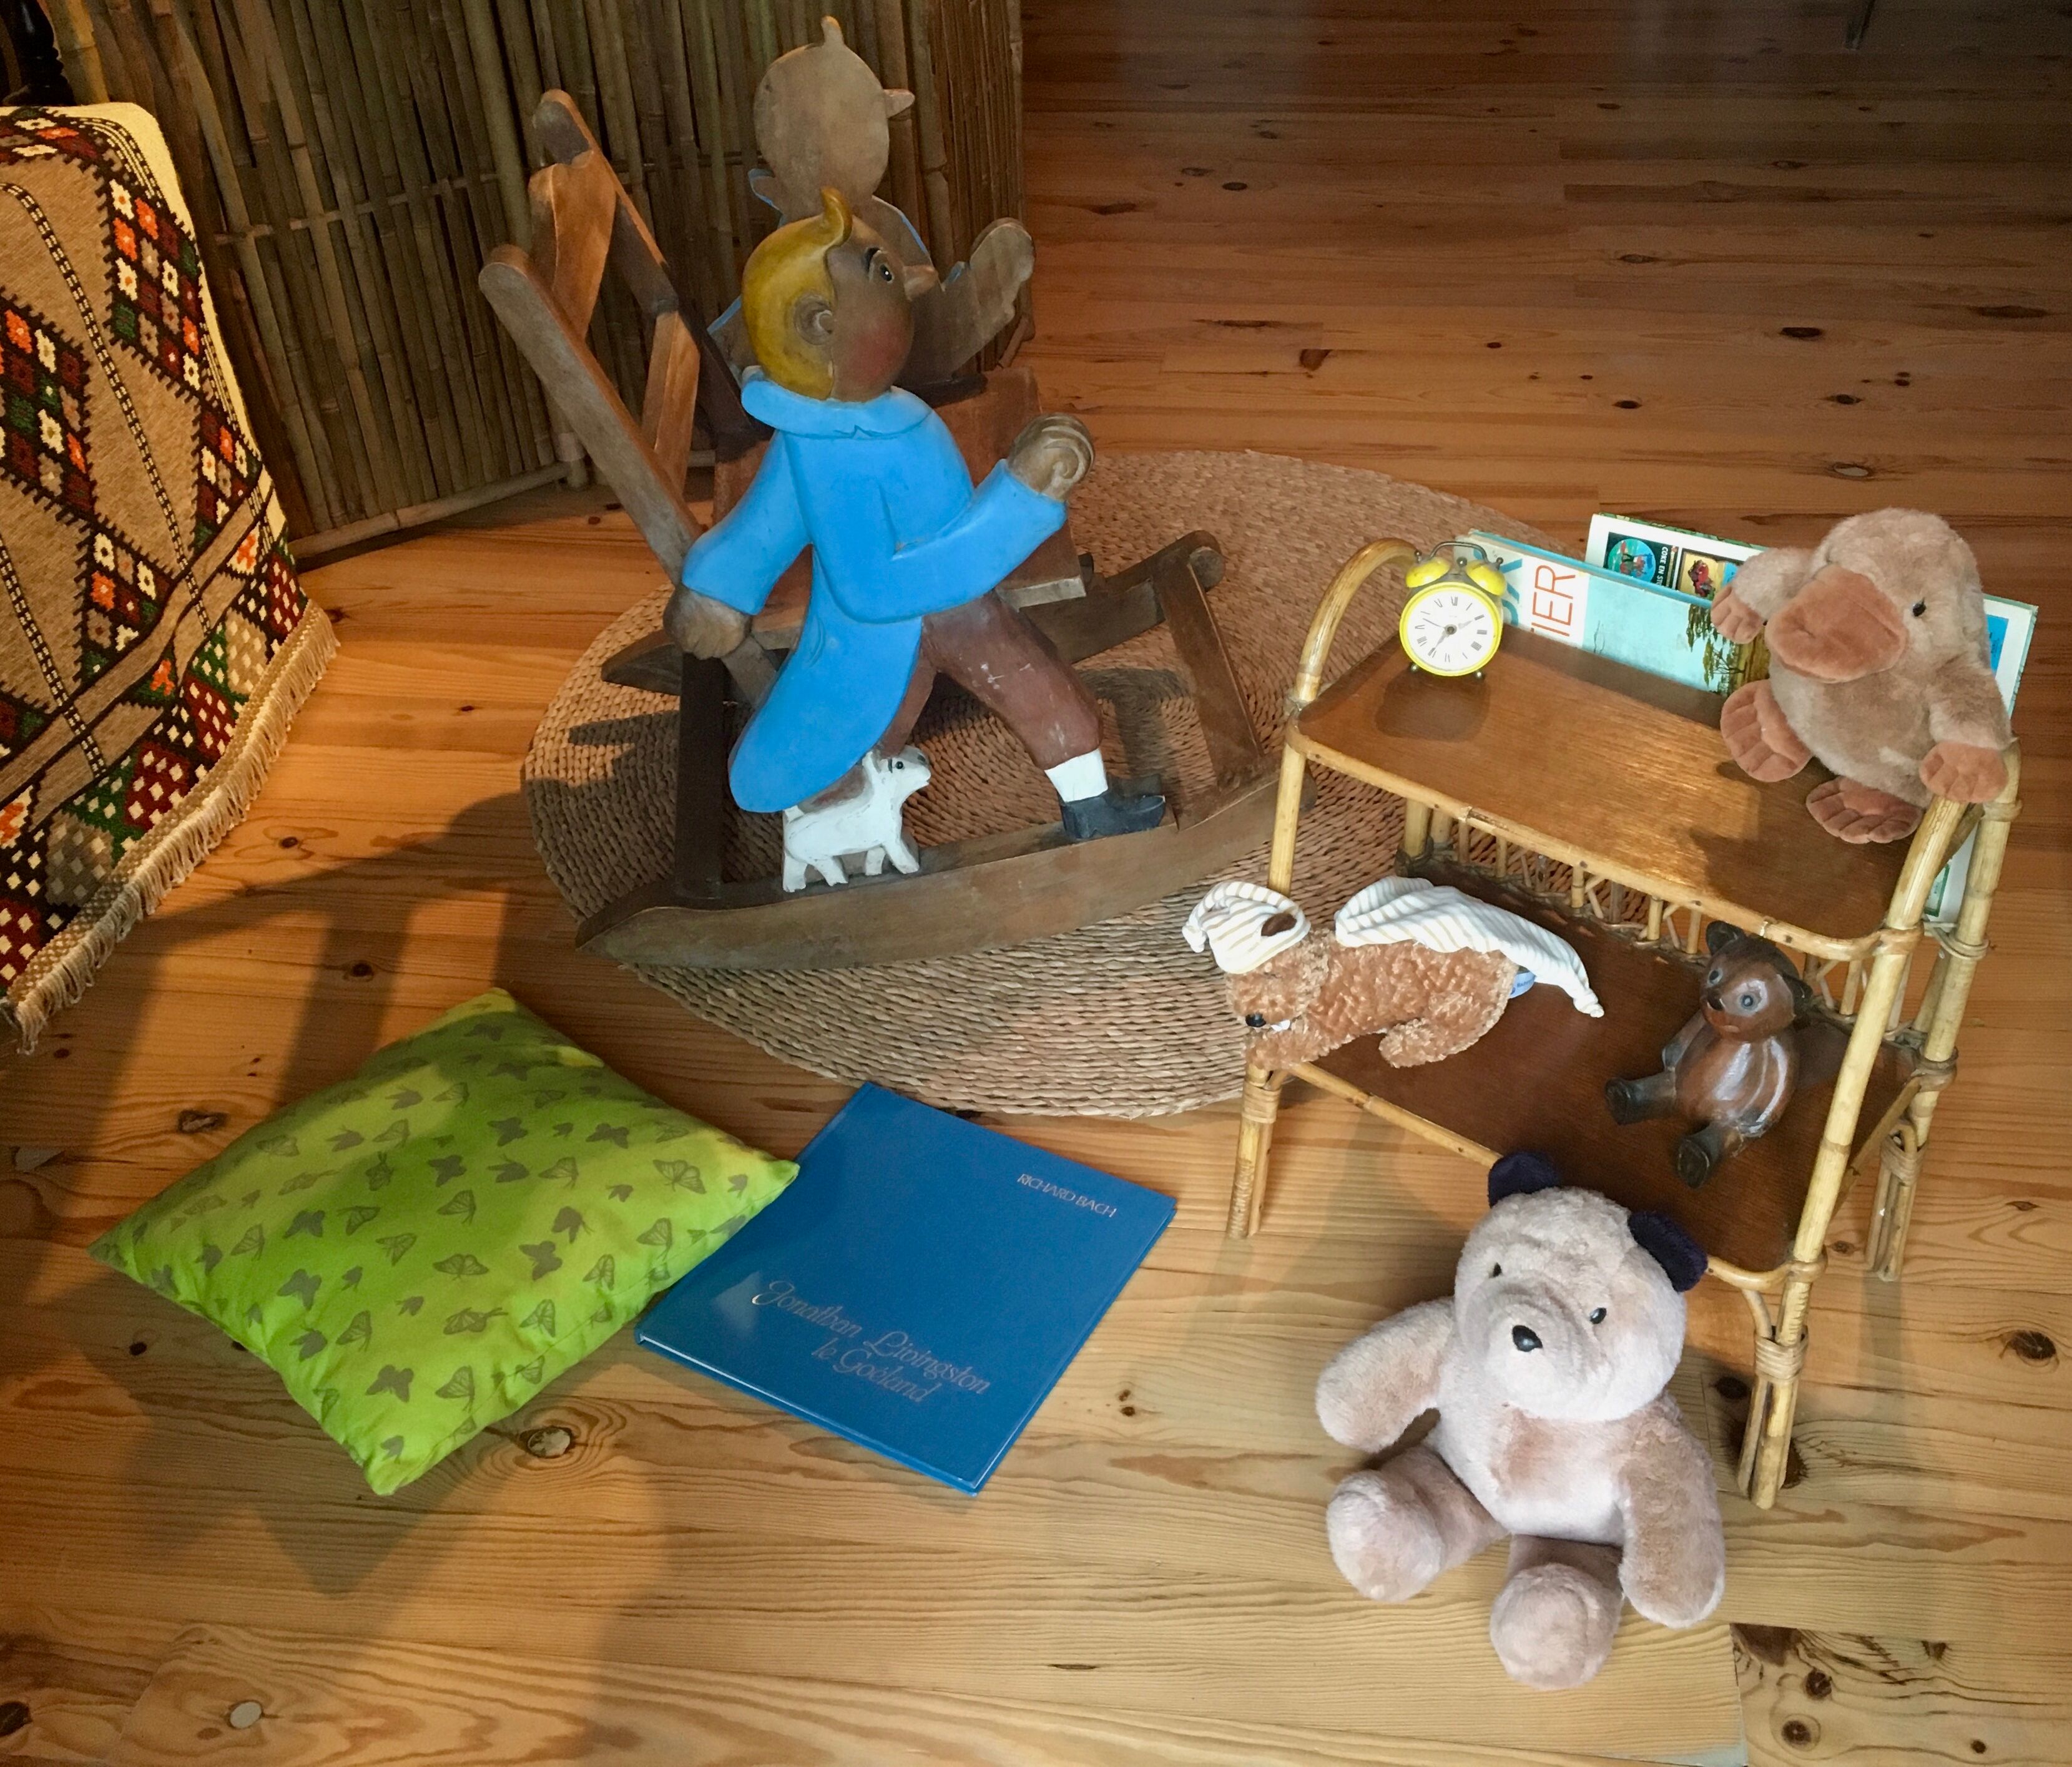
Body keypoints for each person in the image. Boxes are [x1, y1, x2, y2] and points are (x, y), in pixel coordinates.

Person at [665, 187, 1164, 843]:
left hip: (927, 602)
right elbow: (875, 585)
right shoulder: (831, 449)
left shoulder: (829, 429)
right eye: (882, 275)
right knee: (1029, 682)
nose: (906, 286)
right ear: (822, 325)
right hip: (927, 607)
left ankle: (850, 789)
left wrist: (719, 584)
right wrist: (1020, 498)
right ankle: (1086, 811)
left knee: (927, 710)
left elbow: (768, 524)